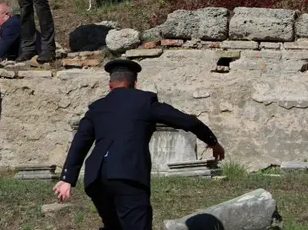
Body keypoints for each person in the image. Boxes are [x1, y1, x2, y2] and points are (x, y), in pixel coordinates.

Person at [52, 59, 226, 230]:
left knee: (113, 225)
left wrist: (67, 178)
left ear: (110, 84)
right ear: (135, 83)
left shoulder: (97, 107)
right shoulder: (145, 102)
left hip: (96, 178)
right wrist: (213, 142)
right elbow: (187, 121)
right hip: (128, 174)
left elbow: (80, 141)